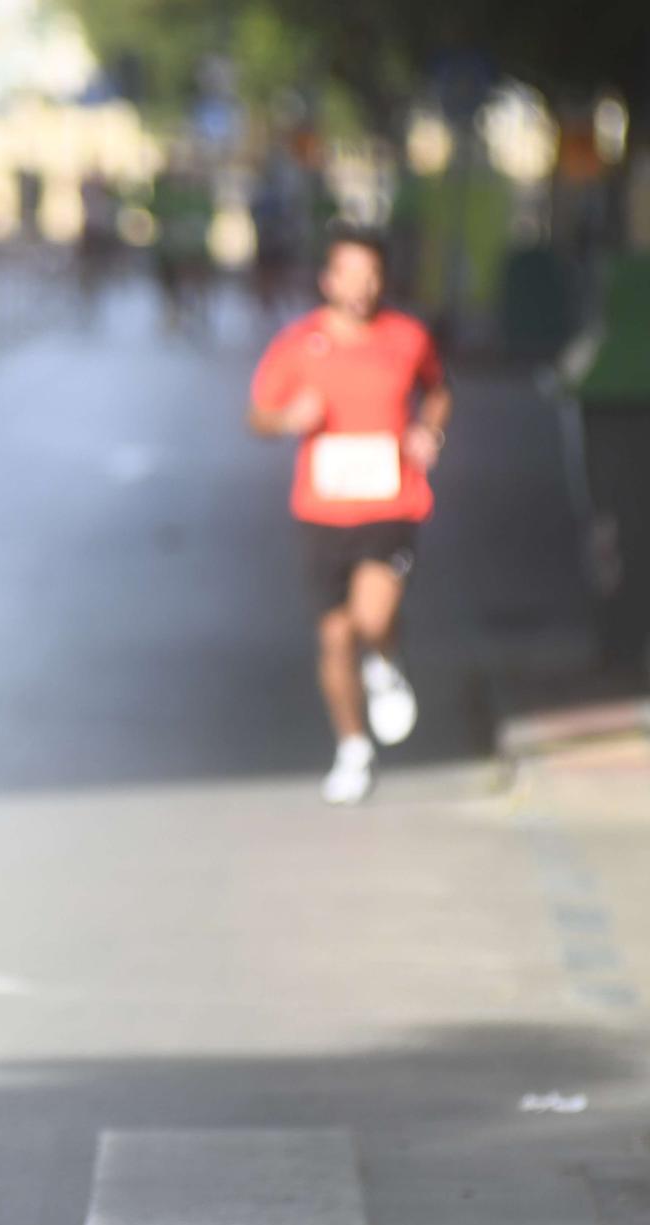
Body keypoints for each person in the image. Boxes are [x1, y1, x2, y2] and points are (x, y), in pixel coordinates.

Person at [249, 227, 453, 804]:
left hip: (391, 502)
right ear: (328, 280)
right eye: (349, 275)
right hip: (321, 509)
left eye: (372, 276)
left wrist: (428, 429)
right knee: (335, 638)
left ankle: (385, 660)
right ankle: (353, 747)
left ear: (383, 280)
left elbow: (438, 389)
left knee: (371, 615)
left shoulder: (407, 337)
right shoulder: (297, 344)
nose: (361, 287)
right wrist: (288, 419)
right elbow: (257, 415)